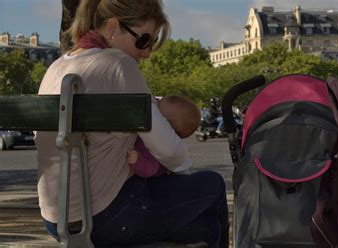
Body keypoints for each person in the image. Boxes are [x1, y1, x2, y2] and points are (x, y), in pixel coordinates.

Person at [34, 0, 228, 247]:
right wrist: (178, 169)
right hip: (106, 216)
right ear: (114, 28)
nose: (147, 52)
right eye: (144, 40)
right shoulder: (118, 64)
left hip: (55, 218)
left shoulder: (57, 66)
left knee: (205, 226)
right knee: (212, 185)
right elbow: (171, 152)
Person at [127, 95, 200, 177]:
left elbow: (151, 169)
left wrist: (138, 161)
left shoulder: (158, 147)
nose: (154, 103)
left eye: (157, 110)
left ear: (166, 127)